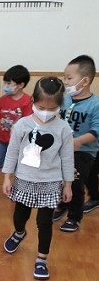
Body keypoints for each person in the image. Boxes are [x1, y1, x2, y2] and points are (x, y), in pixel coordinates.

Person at [1, 77, 74, 280]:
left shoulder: (63, 129)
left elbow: (67, 158)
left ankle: (42, 259)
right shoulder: (22, 125)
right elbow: (12, 152)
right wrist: (7, 177)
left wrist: (68, 185)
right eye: (41, 107)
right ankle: (19, 233)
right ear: (33, 100)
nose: (46, 112)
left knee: (44, 223)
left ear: (60, 106)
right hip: (24, 179)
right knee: (19, 217)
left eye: (52, 109)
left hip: (50, 182)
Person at [53, 55, 99, 232]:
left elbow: (96, 131)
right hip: (63, 148)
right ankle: (63, 203)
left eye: (69, 78)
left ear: (85, 81)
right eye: (64, 78)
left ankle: (74, 217)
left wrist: (78, 141)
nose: (65, 82)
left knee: (75, 183)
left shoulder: (95, 104)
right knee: (58, 178)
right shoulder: (65, 100)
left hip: (83, 151)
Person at [0, 65, 32, 197]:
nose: (5, 86)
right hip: (2, 141)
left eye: (9, 83)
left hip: (19, 144)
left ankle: (16, 189)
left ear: (21, 85)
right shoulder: (2, 100)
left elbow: (28, 123)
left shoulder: (27, 101)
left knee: (18, 167)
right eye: (5, 83)